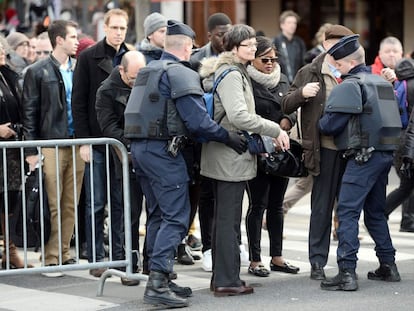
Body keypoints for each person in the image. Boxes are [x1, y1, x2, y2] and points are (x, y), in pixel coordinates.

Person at [127, 19, 247, 308]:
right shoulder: (180, 73)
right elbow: (198, 121)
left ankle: (162, 276)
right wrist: (229, 137)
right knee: (177, 216)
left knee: (157, 214)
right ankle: (157, 283)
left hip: (141, 150)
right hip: (164, 153)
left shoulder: (149, 69)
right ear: (188, 47)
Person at [199, 24, 289, 297]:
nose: (253, 48)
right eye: (247, 45)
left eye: (253, 44)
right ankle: (227, 280)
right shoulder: (231, 74)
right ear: (233, 48)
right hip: (228, 157)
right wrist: (275, 129)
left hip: (228, 155)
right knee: (227, 220)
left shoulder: (235, 71)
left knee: (225, 218)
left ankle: (222, 278)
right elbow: (238, 116)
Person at [319, 34, 401, 291]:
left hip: (362, 157)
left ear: (347, 63)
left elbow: (329, 125)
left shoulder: (349, 85)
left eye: (337, 64)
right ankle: (388, 266)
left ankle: (346, 272)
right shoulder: (381, 82)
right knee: (375, 213)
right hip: (384, 155)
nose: (336, 69)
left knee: (347, 212)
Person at [281, 24, 354, 280]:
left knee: (347, 208)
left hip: (352, 150)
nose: (341, 49)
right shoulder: (309, 72)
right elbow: (286, 103)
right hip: (324, 149)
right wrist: (302, 93)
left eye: (345, 44)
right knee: (321, 207)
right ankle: (317, 262)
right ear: (325, 44)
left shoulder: (353, 70)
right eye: (335, 43)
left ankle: (348, 264)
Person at [22, 19, 85, 277]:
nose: (77, 41)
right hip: (50, 143)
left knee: (71, 202)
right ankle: (50, 258)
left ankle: (64, 252)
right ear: (59, 39)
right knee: (54, 203)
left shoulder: (78, 68)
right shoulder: (38, 71)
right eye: (72, 37)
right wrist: (30, 150)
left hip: (76, 143)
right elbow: (30, 112)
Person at [72, 8, 130, 279]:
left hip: (121, 140)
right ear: (105, 28)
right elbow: (78, 102)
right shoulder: (87, 57)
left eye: (123, 28)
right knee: (96, 202)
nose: (119, 32)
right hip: (95, 140)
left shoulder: (131, 57)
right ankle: (96, 257)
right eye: (115, 27)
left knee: (120, 201)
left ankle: (120, 256)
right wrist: (84, 141)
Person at [245, 36, 299, 277]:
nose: (270, 63)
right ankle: (255, 260)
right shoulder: (245, 80)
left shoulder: (283, 78)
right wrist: (271, 130)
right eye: (265, 59)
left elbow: (291, 106)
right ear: (254, 59)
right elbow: (245, 114)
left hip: (280, 149)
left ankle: (277, 257)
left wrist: (288, 121)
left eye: (273, 59)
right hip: (257, 149)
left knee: (276, 206)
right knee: (258, 205)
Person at [94, 50, 146, 286]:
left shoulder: (145, 81)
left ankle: (152, 264)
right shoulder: (107, 90)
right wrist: (131, 143)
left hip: (148, 155)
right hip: (124, 157)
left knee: (153, 212)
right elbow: (108, 126)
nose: (137, 81)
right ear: (122, 70)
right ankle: (127, 264)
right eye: (133, 77)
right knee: (128, 214)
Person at [189, 12, 233, 272]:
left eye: (228, 33)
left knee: (227, 196)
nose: (224, 38)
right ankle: (206, 246)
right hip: (204, 136)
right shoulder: (197, 60)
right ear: (209, 35)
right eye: (219, 34)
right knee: (205, 195)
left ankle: (227, 244)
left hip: (228, 136)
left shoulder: (237, 60)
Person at [0, 40, 32, 269]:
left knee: (8, 201)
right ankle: (9, 251)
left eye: (2, 47)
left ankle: (9, 251)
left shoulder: (9, 76)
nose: (2, 51)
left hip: (10, 150)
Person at [384, 57, 414, 232]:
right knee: (407, 185)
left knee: (406, 185)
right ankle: (405, 221)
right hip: (409, 141)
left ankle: (384, 213)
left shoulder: (399, 85)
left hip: (398, 139)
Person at [273, 10, 306, 84]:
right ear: (282, 25)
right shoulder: (275, 42)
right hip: (280, 82)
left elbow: (303, 63)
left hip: (297, 82)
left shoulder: (299, 42)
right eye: (289, 23)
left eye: (294, 23)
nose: (292, 25)